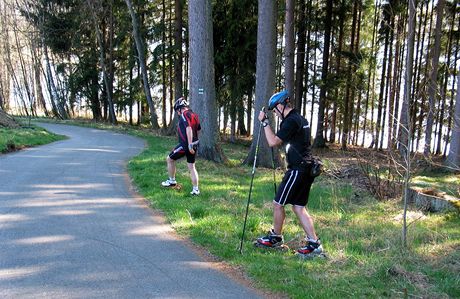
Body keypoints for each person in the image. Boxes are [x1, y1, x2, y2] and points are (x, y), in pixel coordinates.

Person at [255, 90, 323, 257]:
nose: (274, 114)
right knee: (299, 207)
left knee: (278, 203)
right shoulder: (300, 119)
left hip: (298, 170)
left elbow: (273, 142)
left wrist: (264, 123)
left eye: (274, 110)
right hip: (307, 169)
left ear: (280, 105)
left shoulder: (291, 121)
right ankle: (314, 244)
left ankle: (276, 238)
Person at [161, 97, 201, 195]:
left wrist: (190, 144)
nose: (178, 114)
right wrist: (195, 142)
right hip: (194, 144)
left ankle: (172, 181)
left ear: (180, 108)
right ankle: (196, 190)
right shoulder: (194, 115)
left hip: (186, 145)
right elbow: (198, 129)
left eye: (177, 111)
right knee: (192, 167)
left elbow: (188, 128)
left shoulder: (184, 114)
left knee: (169, 159)